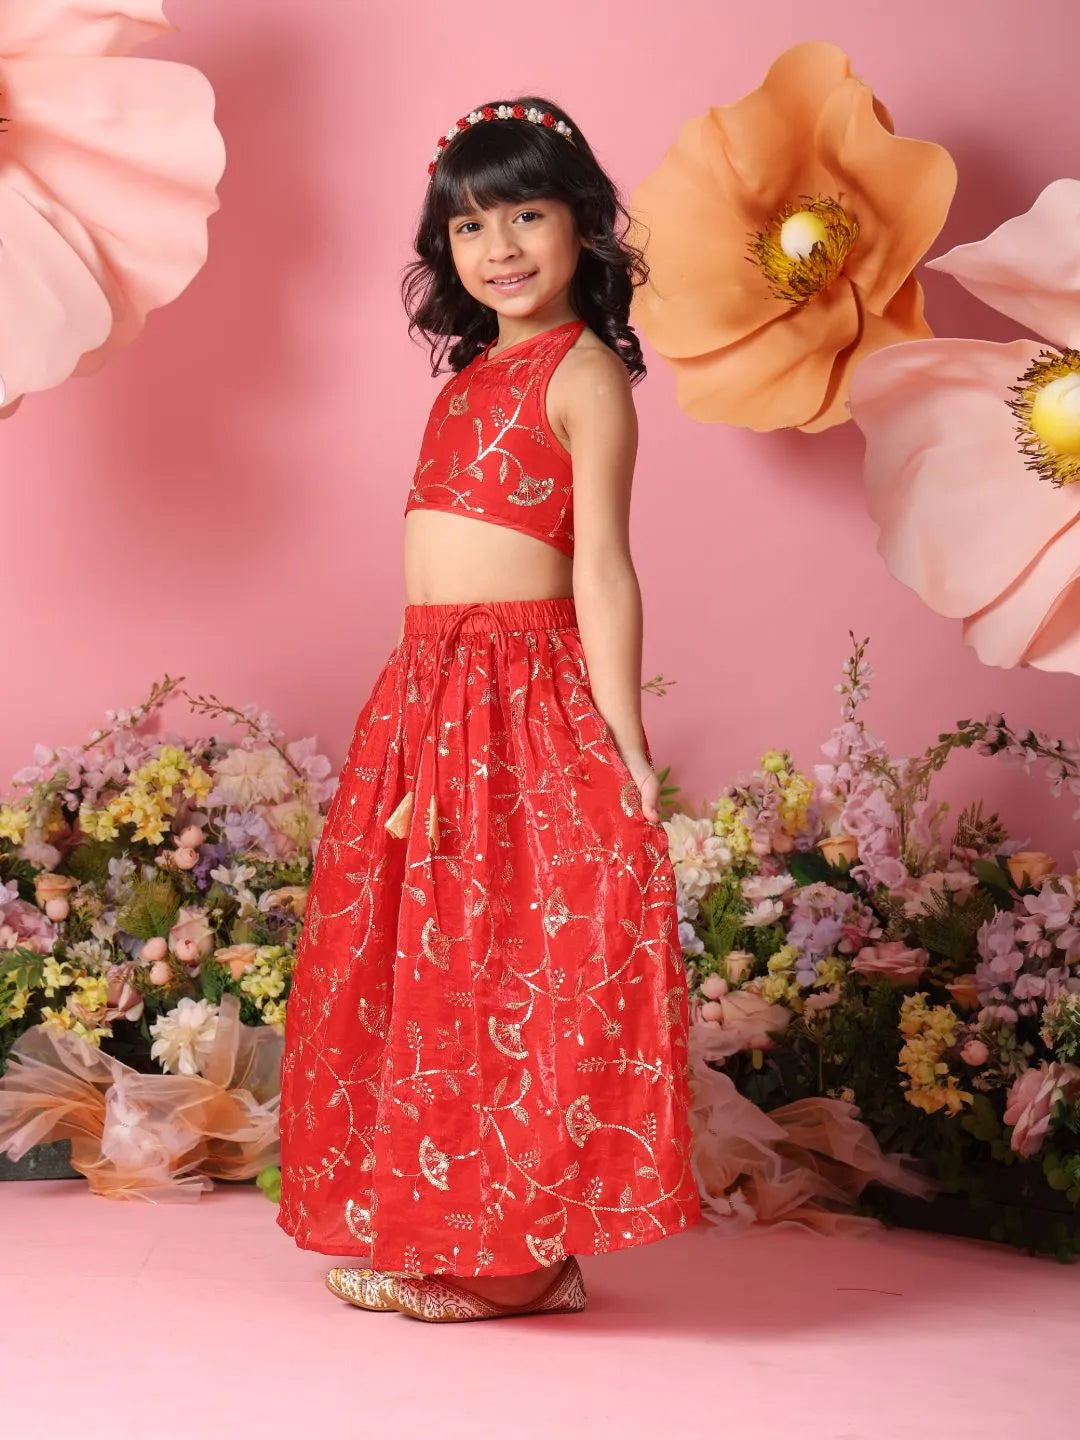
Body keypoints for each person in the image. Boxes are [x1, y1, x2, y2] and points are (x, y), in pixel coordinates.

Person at [276, 94, 700, 1323]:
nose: (501, 246)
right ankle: (451, 1224)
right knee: (424, 960)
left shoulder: (585, 377)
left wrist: (620, 737)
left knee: (513, 953)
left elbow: (604, 567)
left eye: (527, 214)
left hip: (521, 692)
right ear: (445, 249)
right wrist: (415, 713)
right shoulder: (469, 378)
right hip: (427, 687)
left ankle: (514, 1263)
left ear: (583, 230)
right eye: (470, 227)